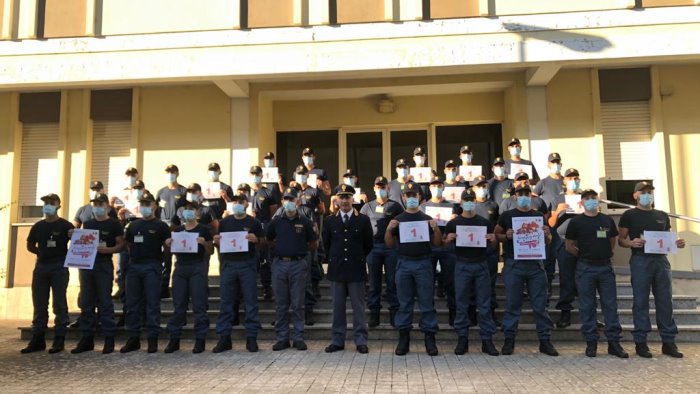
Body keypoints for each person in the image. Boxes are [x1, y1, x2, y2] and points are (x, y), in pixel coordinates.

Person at [618, 181, 685, 358]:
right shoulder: (629, 215)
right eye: (643, 192)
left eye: (650, 191)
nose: (647, 194)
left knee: (665, 301)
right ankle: (641, 342)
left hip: (661, 261)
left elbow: (670, 237)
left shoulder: (662, 215)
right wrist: (631, 243)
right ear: (635, 195)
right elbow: (621, 239)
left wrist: (677, 243)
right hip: (640, 260)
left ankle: (668, 342)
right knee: (640, 301)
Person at [494, 183, 558, 356]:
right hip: (514, 264)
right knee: (513, 304)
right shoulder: (507, 215)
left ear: (531, 196)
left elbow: (548, 241)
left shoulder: (538, 216)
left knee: (540, 305)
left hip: (535, 265)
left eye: (526, 194)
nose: (523, 196)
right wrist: (504, 236)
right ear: (514, 197)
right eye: (520, 193)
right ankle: (509, 341)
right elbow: (495, 236)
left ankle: (545, 341)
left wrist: (547, 234)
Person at [565, 189, 628, 358]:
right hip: (585, 268)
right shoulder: (576, 222)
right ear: (582, 202)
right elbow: (569, 245)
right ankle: (591, 342)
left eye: (594, 198)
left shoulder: (606, 219)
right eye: (588, 198)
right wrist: (584, 256)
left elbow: (612, 239)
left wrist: (607, 252)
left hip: (605, 267)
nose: (591, 201)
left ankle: (614, 342)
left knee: (610, 305)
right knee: (587, 306)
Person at [385, 181, 442, 356]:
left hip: (424, 262)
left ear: (419, 197)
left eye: (413, 195)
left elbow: (437, 243)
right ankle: (404, 339)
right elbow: (390, 244)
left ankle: (429, 338)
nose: (410, 198)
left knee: (427, 302)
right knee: (404, 303)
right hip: (404, 263)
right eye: (407, 195)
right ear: (403, 197)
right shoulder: (398, 219)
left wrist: (436, 228)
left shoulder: (426, 219)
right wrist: (389, 229)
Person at [443, 189, 500, 356]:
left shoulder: (484, 222)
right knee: (461, 303)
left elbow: (493, 247)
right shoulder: (453, 223)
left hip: (481, 264)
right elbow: (445, 245)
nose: (468, 202)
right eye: (466, 199)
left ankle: (487, 340)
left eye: (471, 199)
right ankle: (462, 339)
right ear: (461, 203)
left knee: (484, 304)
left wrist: (494, 240)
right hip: (462, 265)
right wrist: (448, 239)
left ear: (475, 201)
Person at [71, 193, 125, 355]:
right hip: (87, 265)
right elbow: (81, 242)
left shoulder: (114, 224)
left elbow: (121, 245)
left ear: (107, 206)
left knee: (105, 302)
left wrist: (108, 250)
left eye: (100, 204)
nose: (97, 207)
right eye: (94, 204)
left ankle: (109, 339)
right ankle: (86, 339)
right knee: (86, 303)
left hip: (103, 265)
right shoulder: (87, 223)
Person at [322, 185, 373, 354]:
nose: (344, 200)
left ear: (353, 199)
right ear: (336, 200)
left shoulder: (363, 220)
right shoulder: (330, 220)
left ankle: (360, 340)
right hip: (337, 269)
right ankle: (337, 340)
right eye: (341, 197)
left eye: (348, 197)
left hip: (356, 268)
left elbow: (368, 245)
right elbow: (327, 244)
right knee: (337, 308)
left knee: (358, 308)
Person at [266, 187, 318, 351]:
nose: (289, 202)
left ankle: (298, 337)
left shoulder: (305, 222)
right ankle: (282, 338)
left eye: (292, 199)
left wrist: (297, 251)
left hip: (298, 264)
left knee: (297, 304)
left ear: (298, 202)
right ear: (282, 202)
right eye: (286, 199)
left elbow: (313, 244)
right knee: (281, 304)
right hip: (280, 264)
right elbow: (269, 240)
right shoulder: (275, 222)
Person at [21, 194, 74, 354]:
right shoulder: (38, 226)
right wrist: (41, 253)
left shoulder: (66, 225)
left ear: (58, 205)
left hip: (59, 266)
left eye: (51, 203)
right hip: (41, 267)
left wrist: (74, 235)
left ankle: (59, 339)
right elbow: (30, 245)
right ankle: (37, 339)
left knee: (59, 304)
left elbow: (79, 245)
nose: (48, 205)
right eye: (45, 203)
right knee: (39, 304)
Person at [120, 191, 170, 353]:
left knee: (152, 304)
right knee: (132, 304)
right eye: (142, 205)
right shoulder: (133, 225)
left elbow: (167, 247)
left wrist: (160, 261)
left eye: (148, 204)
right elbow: (127, 245)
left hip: (152, 266)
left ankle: (152, 339)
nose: (145, 207)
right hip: (134, 267)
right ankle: (133, 338)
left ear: (154, 206)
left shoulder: (161, 226)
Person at [213, 193, 264, 353]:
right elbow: (219, 245)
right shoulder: (225, 222)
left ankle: (251, 338)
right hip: (229, 264)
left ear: (246, 204)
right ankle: (224, 338)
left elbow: (263, 243)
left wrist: (256, 240)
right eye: (235, 202)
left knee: (250, 301)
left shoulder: (253, 222)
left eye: (240, 202)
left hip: (247, 264)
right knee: (226, 302)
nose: (237, 204)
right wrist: (217, 242)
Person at [163, 200, 213, 354]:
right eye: (186, 210)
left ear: (197, 213)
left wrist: (204, 243)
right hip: (180, 268)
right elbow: (168, 251)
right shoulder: (177, 230)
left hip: (197, 266)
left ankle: (200, 340)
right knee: (179, 306)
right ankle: (174, 339)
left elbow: (211, 251)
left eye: (192, 210)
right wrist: (167, 244)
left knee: (199, 305)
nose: (188, 212)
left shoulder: (204, 229)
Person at [360, 176, 404, 328]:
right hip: (373, 248)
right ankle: (374, 313)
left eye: (383, 187)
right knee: (374, 283)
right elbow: (361, 228)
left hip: (391, 248)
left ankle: (394, 313)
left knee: (393, 281)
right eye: (378, 187)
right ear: (374, 189)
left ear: (388, 188)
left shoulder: (396, 206)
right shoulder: (367, 207)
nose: (380, 190)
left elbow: (402, 227)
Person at [420, 176, 458, 326]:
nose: (436, 188)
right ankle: (429, 314)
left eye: (439, 185)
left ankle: (453, 313)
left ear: (443, 187)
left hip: (448, 248)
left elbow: (456, 229)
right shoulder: (423, 207)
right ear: (430, 188)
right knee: (427, 283)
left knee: (451, 282)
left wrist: (455, 219)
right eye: (433, 185)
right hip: (429, 248)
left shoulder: (452, 206)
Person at [549, 168, 583, 328]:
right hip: (563, 243)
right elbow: (550, 223)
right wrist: (558, 212)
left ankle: (589, 314)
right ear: (564, 181)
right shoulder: (558, 198)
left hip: (584, 243)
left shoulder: (585, 197)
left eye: (576, 178)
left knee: (586, 279)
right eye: (570, 178)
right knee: (567, 278)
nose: (573, 180)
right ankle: (565, 313)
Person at [291, 164, 325, 325]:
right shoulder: (282, 211)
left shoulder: (307, 209)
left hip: (306, 247)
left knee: (310, 274)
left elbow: (315, 224)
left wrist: (315, 241)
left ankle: (309, 310)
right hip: (290, 252)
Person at [470, 175, 501, 326]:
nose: (482, 189)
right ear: (473, 189)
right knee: (471, 285)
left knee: (490, 284)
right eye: (478, 186)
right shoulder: (468, 206)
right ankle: (472, 314)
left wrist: (495, 242)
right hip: (471, 252)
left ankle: (491, 313)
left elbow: (498, 227)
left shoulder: (494, 205)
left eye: (484, 186)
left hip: (489, 251)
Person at [156, 164, 187, 298]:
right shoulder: (161, 192)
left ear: (177, 173)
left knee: (180, 260)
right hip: (163, 228)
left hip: (179, 228)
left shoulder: (183, 191)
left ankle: (180, 289)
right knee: (165, 260)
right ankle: (163, 289)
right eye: (167, 172)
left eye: (172, 172)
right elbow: (156, 210)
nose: (170, 175)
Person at [248, 165, 279, 301]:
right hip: (246, 229)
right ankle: (250, 289)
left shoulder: (267, 192)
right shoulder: (244, 191)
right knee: (250, 260)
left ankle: (267, 287)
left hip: (263, 227)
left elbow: (273, 212)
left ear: (261, 175)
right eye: (252, 174)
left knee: (265, 259)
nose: (255, 176)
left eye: (257, 174)